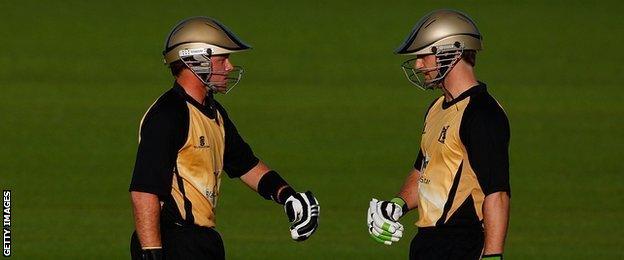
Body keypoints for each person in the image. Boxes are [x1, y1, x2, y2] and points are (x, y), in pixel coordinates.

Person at [129, 16, 320, 260]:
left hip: (202, 243)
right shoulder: (168, 114)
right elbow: (144, 192)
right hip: (173, 243)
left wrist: (287, 196)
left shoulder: (214, 112)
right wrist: (151, 253)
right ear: (195, 60)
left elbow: (245, 164)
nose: (229, 67)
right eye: (222, 59)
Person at [366, 9, 510, 260]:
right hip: (427, 246)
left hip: (462, 247)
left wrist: (493, 256)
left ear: (451, 52)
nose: (419, 64)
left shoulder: (482, 114)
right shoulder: (436, 108)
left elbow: (496, 194)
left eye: (425, 55)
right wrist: (397, 206)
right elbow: (423, 170)